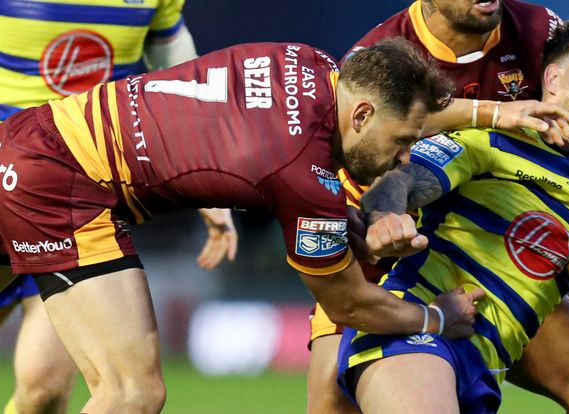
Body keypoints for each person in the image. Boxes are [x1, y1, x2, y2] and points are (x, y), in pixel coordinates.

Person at [0, 37, 497, 413]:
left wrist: (338, 220)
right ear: (362, 113)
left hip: (27, 134)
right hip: (60, 184)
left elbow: (244, 140)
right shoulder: (303, 172)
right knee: (132, 393)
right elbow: (347, 302)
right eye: (403, 140)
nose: (403, 159)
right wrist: (435, 319)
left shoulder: (309, 61)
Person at [338, 1, 569, 413]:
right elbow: (403, 179)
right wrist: (385, 217)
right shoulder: (491, 141)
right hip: (413, 329)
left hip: (485, 370)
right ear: (553, 79)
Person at [0, 2, 239, 414]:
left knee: (45, 385)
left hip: (74, 202)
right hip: (6, 180)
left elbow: (181, 76)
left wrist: (212, 193)